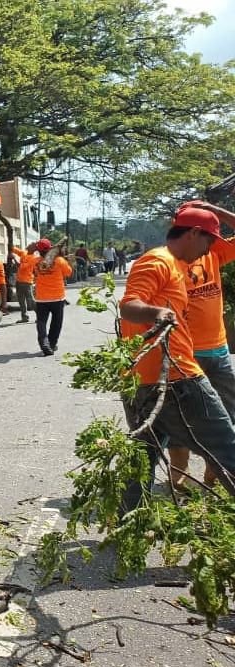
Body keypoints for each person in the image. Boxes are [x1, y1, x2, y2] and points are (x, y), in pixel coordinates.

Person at [120, 205, 235, 508]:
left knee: (142, 459)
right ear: (194, 233)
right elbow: (129, 304)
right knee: (227, 447)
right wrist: (157, 312)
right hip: (178, 377)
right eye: (209, 241)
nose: (209, 250)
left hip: (142, 380)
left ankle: (127, 524)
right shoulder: (157, 262)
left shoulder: (172, 263)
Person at [166, 201, 235, 491]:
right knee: (181, 423)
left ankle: (213, 480)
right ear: (191, 233)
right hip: (185, 355)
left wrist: (214, 211)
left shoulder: (213, 253)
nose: (211, 244)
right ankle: (179, 483)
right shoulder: (167, 261)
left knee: (226, 420)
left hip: (218, 352)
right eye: (207, 236)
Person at [32, 239, 74, 356]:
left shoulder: (36, 261)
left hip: (41, 298)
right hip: (57, 298)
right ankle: (51, 343)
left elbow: (32, 272)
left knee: (41, 322)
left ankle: (44, 342)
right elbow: (69, 273)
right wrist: (67, 260)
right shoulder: (60, 261)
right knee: (56, 323)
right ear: (51, 248)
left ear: (39, 251)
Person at [9, 242, 40, 323]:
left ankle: (40, 316)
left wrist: (14, 258)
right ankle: (24, 317)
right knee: (21, 300)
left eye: (31, 245)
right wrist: (11, 246)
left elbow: (20, 266)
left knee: (31, 300)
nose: (29, 245)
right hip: (19, 281)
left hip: (27, 282)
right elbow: (15, 250)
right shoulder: (24, 253)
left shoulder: (33, 258)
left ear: (34, 249)